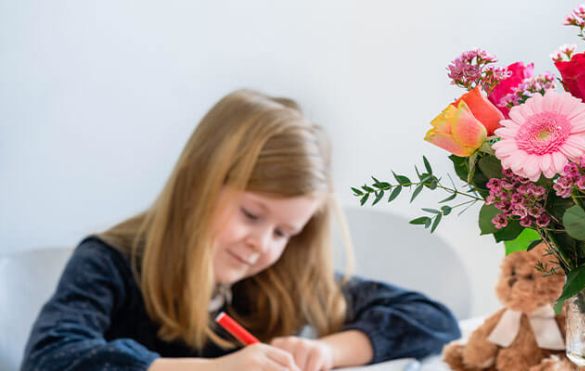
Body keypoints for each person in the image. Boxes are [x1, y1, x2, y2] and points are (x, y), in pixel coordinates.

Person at [21, 90, 461, 371]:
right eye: (252, 215)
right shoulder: (110, 263)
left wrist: (326, 353)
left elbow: (433, 321)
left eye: (283, 233)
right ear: (198, 184)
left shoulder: (274, 275)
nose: (262, 244)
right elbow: (51, 359)